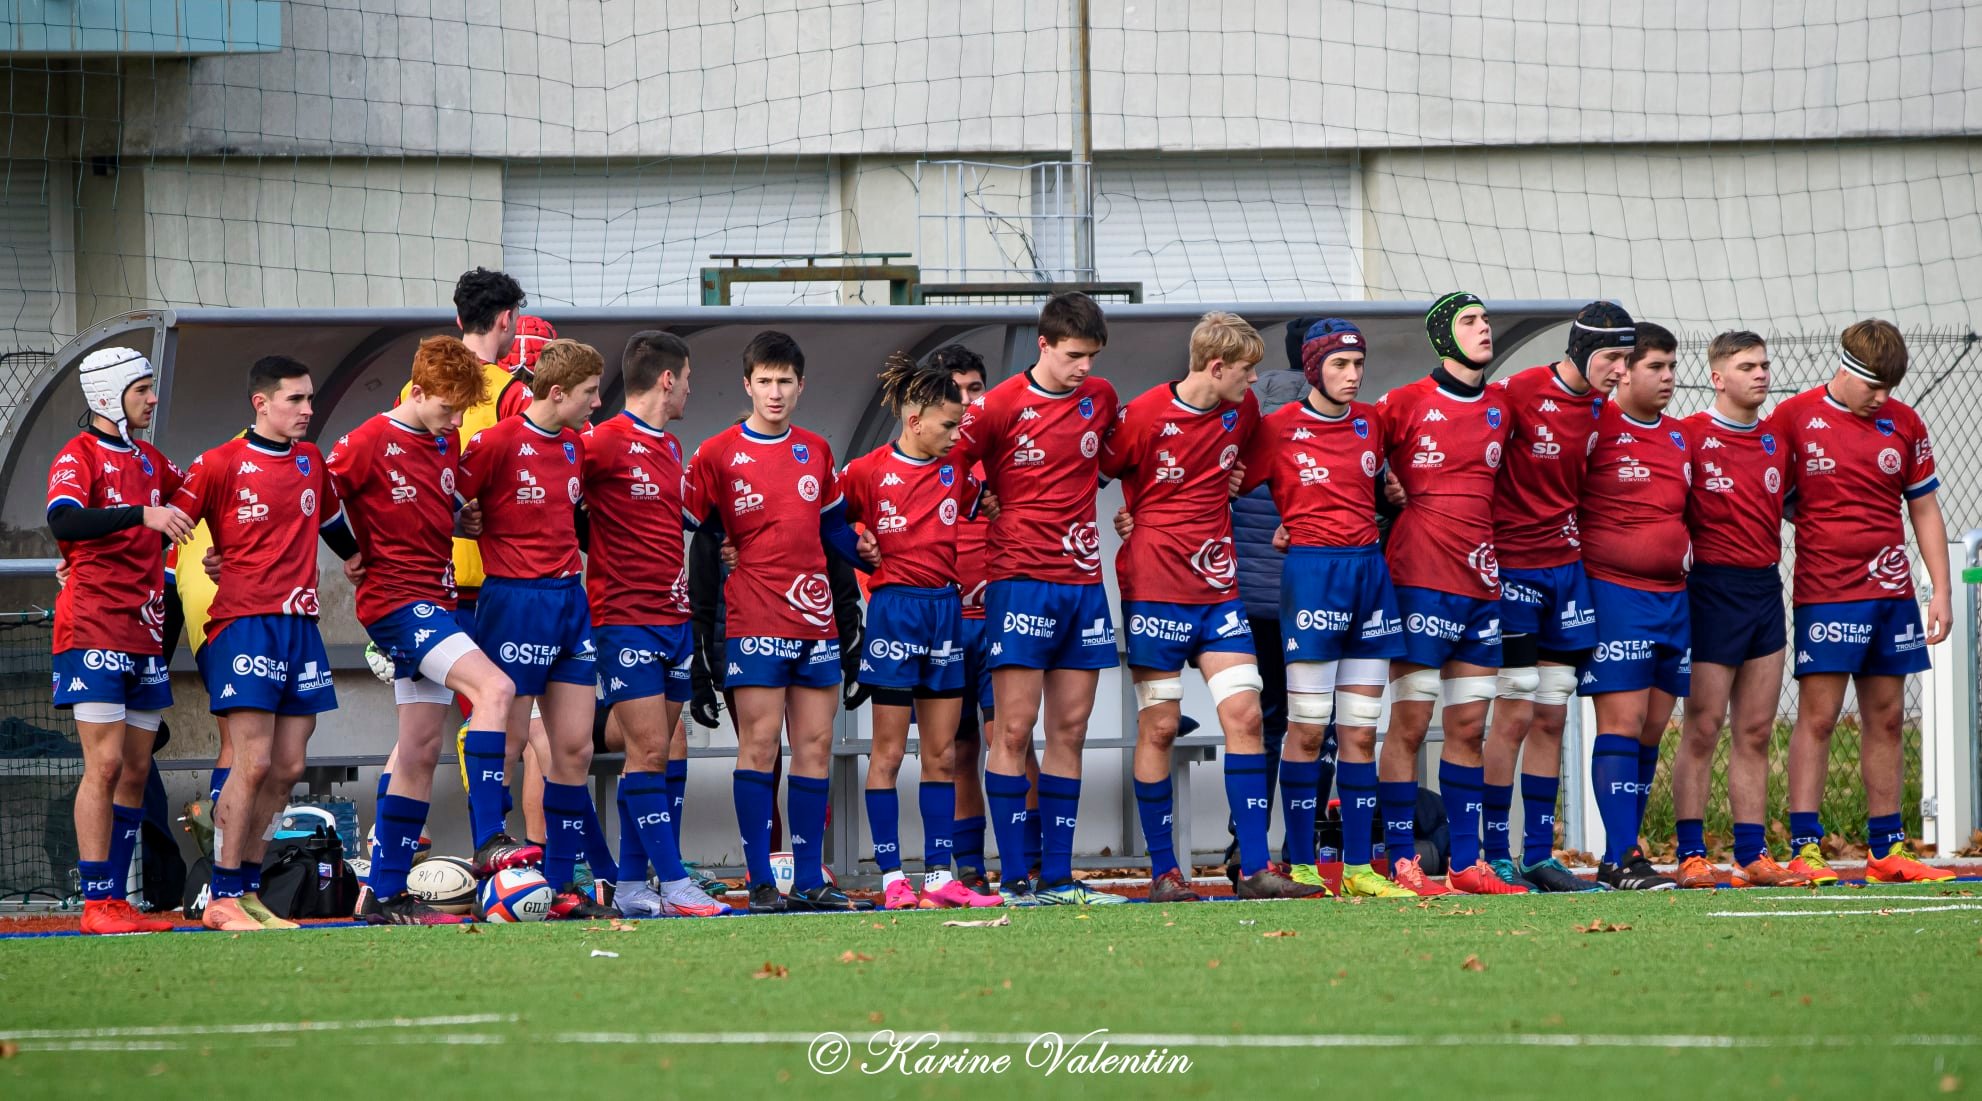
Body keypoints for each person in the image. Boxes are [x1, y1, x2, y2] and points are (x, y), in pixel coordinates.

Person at [1106, 311, 1325, 903]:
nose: (1254, 382)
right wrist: (1130, 518)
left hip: (1218, 590)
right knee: (1159, 725)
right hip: (1154, 588)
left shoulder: (1243, 411)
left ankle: (1254, 867)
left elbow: (1255, 463)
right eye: (1247, 371)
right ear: (1217, 366)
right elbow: (1095, 471)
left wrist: (1237, 481)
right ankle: (1164, 873)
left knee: (1248, 718)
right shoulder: (1145, 414)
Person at [684, 331, 879, 913]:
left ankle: (808, 878)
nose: (775, 392)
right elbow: (699, 530)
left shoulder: (816, 450)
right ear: (747, 385)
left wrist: (866, 548)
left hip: (815, 621)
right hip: (753, 619)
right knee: (761, 746)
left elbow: (832, 530)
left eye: (784, 381)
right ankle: (760, 881)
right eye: (764, 381)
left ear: (800, 385)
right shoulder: (716, 453)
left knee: (815, 746)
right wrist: (721, 550)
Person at [328, 335, 518, 925]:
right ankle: (491, 838)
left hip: (429, 599)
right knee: (496, 690)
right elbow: (313, 496)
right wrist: (347, 550)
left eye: (462, 410)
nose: (455, 420)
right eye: (446, 407)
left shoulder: (445, 438)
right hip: (397, 604)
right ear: (415, 390)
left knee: (417, 749)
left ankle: (383, 894)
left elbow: (429, 510)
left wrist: (460, 520)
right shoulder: (365, 441)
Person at [1228, 319, 1416, 899]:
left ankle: (1359, 868)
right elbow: (1226, 485)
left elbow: (1391, 483)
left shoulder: (1373, 423)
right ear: (1313, 369)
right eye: (1339, 365)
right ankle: (1302, 863)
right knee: (1306, 732)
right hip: (1311, 580)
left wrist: (1396, 491)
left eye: (1358, 365)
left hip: (1370, 579)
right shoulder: (1278, 427)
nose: (1352, 376)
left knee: (1359, 735)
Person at [170, 356, 357, 930]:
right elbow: (170, 523)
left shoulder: (310, 459)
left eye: (309, 400)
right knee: (250, 762)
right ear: (261, 403)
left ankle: (250, 887)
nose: (307, 409)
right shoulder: (218, 463)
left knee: (288, 765)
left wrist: (356, 557)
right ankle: (222, 893)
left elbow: (329, 521)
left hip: (300, 627)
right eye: (295, 400)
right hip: (244, 622)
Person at [952, 292, 1124, 907]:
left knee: (1070, 730)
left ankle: (1057, 874)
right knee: (1014, 729)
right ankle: (1016, 876)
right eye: (1074, 355)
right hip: (1020, 580)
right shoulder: (996, 407)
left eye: (1093, 356)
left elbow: (1122, 458)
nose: (1085, 367)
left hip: (1083, 585)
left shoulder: (1099, 398)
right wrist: (981, 495)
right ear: (1044, 345)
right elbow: (946, 464)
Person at [1777, 319, 1953, 884]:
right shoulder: (1795, 417)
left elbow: (1923, 508)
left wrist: (1939, 589)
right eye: (1874, 385)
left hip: (1892, 594)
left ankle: (1887, 848)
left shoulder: (1903, 423)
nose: (1883, 398)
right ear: (1847, 368)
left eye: (1890, 387)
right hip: (1826, 595)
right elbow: (1771, 493)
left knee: (1888, 717)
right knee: (1820, 718)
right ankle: (1805, 846)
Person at [456, 339, 620, 919]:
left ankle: (559, 885)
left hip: (568, 602)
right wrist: (464, 519)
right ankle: (493, 857)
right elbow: (446, 501)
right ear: (557, 393)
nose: (596, 404)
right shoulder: (495, 443)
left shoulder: (576, 446)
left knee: (573, 747)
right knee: (511, 738)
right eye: (589, 393)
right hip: (513, 601)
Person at [1479, 302, 1635, 893]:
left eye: (1626, 358)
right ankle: (1494, 854)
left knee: (1551, 714)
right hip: (1513, 570)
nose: (1620, 369)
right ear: (1580, 351)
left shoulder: (1600, 407)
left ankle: (1539, 856)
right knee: (1513, 713)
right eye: (1611, 357)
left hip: (1566, 574)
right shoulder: (1517, 393)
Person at [1373, 292, 1525, 895]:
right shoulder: (1403, 404)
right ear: (1443, 337)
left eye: (1486, 320)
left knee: (1469, 730)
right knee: (1409, 726)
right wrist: (1382, 485)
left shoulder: (1503, 406)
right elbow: (1349, 458)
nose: (1483, 329)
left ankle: (1467, 863)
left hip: (1481, 587)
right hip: (1419, 584)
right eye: (1469, 321)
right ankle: (1402, 859)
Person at [843, 354, 1004, 910]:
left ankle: (939, 878)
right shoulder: (866, 472)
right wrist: (855, 549)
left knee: (942, 754)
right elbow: (822, 519)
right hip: (893, 613)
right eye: (948, 424)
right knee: (887, 753)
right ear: (914, 422)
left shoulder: (956, 466)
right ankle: (891, 878)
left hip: (945, 612)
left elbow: (972, 500)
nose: (957, 435)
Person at [584, 331, 730, 917]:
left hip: (673, 620)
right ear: (668, 379)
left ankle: (628, 886)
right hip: (626, 619)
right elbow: (558, 501)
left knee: (660, 754)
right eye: (688, 377)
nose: (690, 388)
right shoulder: (601, 443)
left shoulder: (669, 447)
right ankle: (674, 883)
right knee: (646, 749)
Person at [47, 347, 189, 935]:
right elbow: (63, 519)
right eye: (143, 389)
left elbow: (195, 499)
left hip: (145, 631)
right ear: (108, 395)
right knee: (103, 765)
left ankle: (119, 900)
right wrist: (142, 517)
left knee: (135, 769)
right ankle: (96, 902)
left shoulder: (154, 460)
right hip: (92, 628)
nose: (153, 398)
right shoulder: (77, 454)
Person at [1673, 333, 1809, 888]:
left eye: (1764, 364)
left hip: (1762, 590)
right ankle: (1690, 853)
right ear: (1717, 376)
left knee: (1755, 730)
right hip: (1709, 590)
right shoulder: (1689, 436)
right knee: (1703, 726)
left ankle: (1751, 854)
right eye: (1746, 365)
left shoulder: (1777, 442)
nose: (1760, 374)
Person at [1577, 321, 1689, 891]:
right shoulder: (1595, 424)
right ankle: (1623, 854)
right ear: (1624, 371)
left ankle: (1621, 856)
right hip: (1614, 594)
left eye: (1673, 367)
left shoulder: (1679, 437)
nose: (1669, 378)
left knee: (1650, 731)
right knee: (1621, 724)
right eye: (1656, 367)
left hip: (1675, 599)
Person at [1221, 316, 1319, 886]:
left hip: (1246, 600)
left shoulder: (1246, 410)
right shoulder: (1331, 417)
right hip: (1309, 598)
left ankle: (1245, 846)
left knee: (1256, 725)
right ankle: (1297, 853)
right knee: (1313, 724)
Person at [933, 345, 1007, 897]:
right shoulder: (921, 455)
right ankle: (968, 865)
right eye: (955, 390)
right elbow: (870, 542)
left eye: (975, 388)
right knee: (958, 751)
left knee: (1011, 737)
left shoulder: (999, 455)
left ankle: (1025, 864)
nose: (966, 401)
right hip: (946, 624)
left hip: (1002, 619)